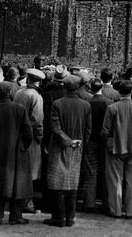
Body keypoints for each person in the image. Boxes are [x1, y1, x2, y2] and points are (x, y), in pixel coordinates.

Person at [0, 81, 33, 226]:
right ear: (10, 93)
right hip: (16, 153)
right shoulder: (20, 109)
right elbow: (28, 132)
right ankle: (16, 216)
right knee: (17, 184)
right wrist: (23, 146)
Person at [44, 74, 92, 228]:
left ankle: (58, 217)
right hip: (77, 147)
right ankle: (70, 217)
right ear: (79, 87)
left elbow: (55, 128)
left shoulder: (57, 104)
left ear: (64, 87)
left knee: (57, 182)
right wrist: (79, 142)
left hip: (59, 147)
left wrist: (68, 141)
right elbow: (88, 129)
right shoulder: (86, 105)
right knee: (72, 182)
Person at [100, 79, 132, 219]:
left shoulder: (112, 108)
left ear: (119, 91)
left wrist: (108, 143)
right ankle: (131, 211)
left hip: (116, 148)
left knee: (115, 180)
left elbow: (105, 130)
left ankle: (115, 210)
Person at [13, 68, 45, 213]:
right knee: (32, 170)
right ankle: (27, 203)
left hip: (17, 134)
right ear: (38, 81)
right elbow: (38, 121)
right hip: (30, 136)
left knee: (19, 168)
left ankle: (17, 200)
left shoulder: (19, 93)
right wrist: (39, 137)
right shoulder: (36, 97)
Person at [81, 77, 111, 212]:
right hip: (104, 140)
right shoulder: (108, 103)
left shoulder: (86, 103)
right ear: (102, 88)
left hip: (91, 140)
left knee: (90, 171)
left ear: (90, 88)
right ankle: (107, 202)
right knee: (106, 171)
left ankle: (89, 202)